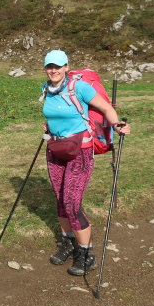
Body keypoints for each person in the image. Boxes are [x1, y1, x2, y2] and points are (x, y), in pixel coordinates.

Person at [41, 50, 131, 276]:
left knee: (72, 204)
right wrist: (49, 126)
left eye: (58, 66)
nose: (53, 70)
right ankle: (68, 242)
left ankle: (85, 252)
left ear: (66, 67)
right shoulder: (46, 89)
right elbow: (55, 114)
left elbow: (106, 108)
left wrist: (117, 124)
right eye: (50, 66)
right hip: (55, 149)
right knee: (61, 200)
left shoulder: (79, 87)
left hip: (80, 151)